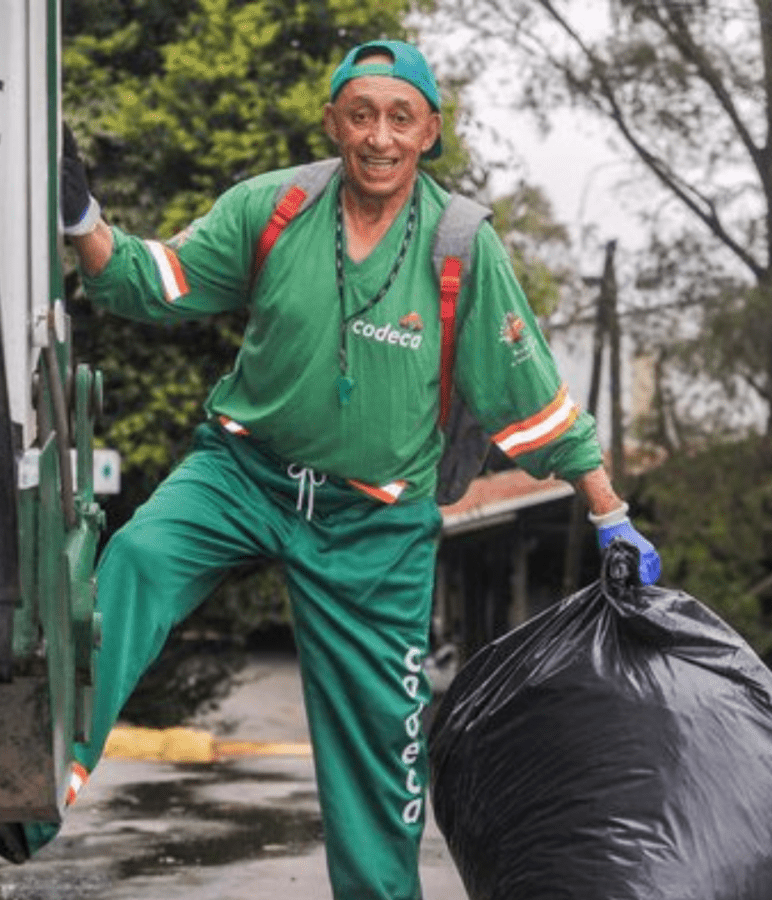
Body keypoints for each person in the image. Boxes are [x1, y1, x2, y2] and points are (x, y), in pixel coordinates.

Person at [53, 39, 661, 900]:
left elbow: (535, 402)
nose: (379, 137)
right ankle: (37, 787)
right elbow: (162, 280)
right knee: (138, 559)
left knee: (382, 757)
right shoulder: (274, 206)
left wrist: (609, 513)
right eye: (362, 114)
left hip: (375, 524)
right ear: (335, 122)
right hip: (242, 473)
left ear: (429, 134)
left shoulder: (460, 247)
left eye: (399, 118)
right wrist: (84, 222)